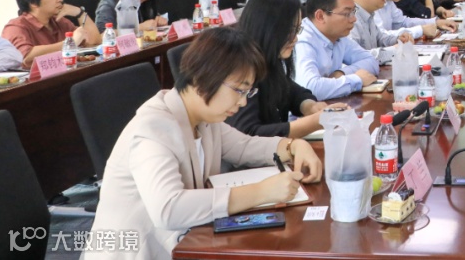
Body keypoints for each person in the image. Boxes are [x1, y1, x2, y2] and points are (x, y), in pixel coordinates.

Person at [88, 27, 322, 259]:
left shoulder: (202, 118)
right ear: (202, 78)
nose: (242, 102)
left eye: (247, 92)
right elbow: (168, 208)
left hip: (183, 243)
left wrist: (293, 147)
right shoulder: (153, 129)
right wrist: (260, 192)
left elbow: (243, 146)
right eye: (239, 90)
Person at [227, 0, 348, 138]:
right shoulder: (239, 68)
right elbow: (249, 134)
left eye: (297, 30)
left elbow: (288, 89)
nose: (295, 38)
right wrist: (314, 122)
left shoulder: (268, 59)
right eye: (290, 30)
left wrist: (308, 105)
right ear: (268, 27)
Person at [293, 0, 380, 101]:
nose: (353, 19)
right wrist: (356, 79)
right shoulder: (302, 40)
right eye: (346, 13)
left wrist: (342, 73)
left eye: (353, 11)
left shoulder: (338, 36)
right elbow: (310, 88)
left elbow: (371, 61)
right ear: (320, 16)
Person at [2, 0, 102, 68]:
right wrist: (69, 43)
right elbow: (25, 57)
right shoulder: (15, 27)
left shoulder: (59, 21)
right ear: (33, 2)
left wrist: (79, 13)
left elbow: (94, 42)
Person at [346, 0, 414, 64]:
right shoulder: (347, 17)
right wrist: (395, 50)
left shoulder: (367, 14)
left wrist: (398, 39)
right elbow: (355, 56)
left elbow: (380, 38)